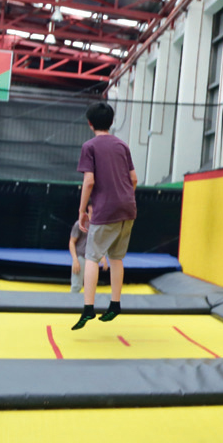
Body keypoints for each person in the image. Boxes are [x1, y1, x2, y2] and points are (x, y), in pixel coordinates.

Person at [72, 101, 138, 329]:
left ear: (90, 124)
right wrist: (125, 197)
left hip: (105, 209)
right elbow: (134, 179)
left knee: (91, 257)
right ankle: (115, 304)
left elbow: (89, 181)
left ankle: (88, 308)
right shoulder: (122, 146)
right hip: (128, 208)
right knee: (117, 257)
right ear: (111, 122)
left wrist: (82, 211)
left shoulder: (89, 147)